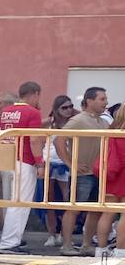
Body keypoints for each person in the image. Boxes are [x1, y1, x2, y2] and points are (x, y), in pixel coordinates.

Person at [56, 86, 111, 255]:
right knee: (74, 208)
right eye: (102, 99)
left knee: (95, 209)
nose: (106, 102)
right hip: (83, 174)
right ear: (89, 101)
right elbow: (59, 141)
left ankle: (86, 245)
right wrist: (71, 163)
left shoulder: (103, 122)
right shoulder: (78, 120)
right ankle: (66, 245)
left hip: (98, 173)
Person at [0, 81, 45, 255]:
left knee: (12, 202)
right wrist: (40, 163)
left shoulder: (7, 111)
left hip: (6, 159)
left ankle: (10, 240)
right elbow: (34, 139)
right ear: (35, 94)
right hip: (24, 160)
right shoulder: (33, 112)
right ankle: (9, 243)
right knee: (20, 203)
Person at [42, 94, 76, 247]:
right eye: (64, 107)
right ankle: (52, 234)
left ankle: (64, 234)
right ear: (57, 109)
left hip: (66, 163)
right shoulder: (49, 123)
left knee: (67, 199)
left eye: (70, 106)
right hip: (49, 162)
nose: (68, 110)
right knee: (48, 200)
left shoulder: (74, 122)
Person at [92, 104, 125, 259]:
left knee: (107, 213)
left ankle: (101, 250)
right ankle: (120, 251)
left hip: (111, 175)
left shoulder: (112, 130)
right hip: (123, 175)